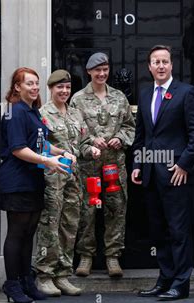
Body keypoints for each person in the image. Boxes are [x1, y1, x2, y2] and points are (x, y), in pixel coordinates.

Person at [132, 45, 194, 300]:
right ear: (149, 67)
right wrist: (138, 165)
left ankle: (181, 283)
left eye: (165, 61)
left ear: (171, 65)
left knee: (178, 231)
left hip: (177, 174)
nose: (161, 66)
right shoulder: (144, 95)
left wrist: (185, 164)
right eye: (156, 62)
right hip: (151, 174)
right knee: (159, 232)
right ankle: (165, 279)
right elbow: (141, 135)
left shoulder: (186, 93)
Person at [0, 67, 72, 303]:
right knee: (16, 233)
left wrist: (61, 152)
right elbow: (18, 149)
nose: (33, 87)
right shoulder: (15, 112)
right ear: (17, 87)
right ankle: (12, 284)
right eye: (28, 83)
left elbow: (40, 144)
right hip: (17, 181)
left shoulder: (33, 113)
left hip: (33, 181)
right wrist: (46, 161)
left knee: (29, 233)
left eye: (36, 83)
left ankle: (26, 281)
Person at [34, 70, 101, 296]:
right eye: (59, 87)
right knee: (50, 226)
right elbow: (38, 147)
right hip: (52, 180)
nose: (64, 91)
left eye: (67, 88)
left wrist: (89, 149)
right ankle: (44, 275)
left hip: (73, 179)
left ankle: (62, 275)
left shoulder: (75, 114)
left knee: (70, 226)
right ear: (51, 89)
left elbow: (81, 143)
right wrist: (57, 156)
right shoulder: (43, 114)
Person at [70, 53, 135, 277]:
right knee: (87, 209)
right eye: (97, 70)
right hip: (89, 165)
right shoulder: (77, 99)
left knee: (116, 208)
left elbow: (130, 126)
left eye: (105, 69)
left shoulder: (119, 98)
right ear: (89, 71)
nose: (102, 74)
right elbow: (73, 132)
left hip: (114, 165)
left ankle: (113, 257)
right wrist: (89, 141)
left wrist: (121, 138)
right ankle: (85, 256)